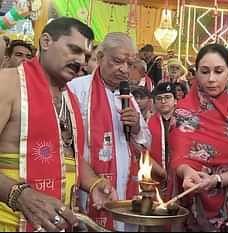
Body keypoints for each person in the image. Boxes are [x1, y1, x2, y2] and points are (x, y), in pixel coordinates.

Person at [0, 17, 116, 232]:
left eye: (86, 56)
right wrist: (19, 195)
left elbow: (67, 156)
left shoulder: (69, 98)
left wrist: (94, 183)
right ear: (45, 42)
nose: (80, 61)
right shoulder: (8, 83)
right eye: (73, 49)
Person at [68, 32, 152, 231]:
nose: (124, 69)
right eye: (117, 61)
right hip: (89, 187)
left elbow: (146, 143)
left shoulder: (128, 97)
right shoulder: (76, 89)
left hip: (125, 188)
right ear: (99, 57)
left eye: (130, 64)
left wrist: (138, 125)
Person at [169, 44, 228, 231]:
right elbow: (178, 157)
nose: (211, 79)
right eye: (204, 72)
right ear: (196, 73)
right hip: (191, 208)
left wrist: (217, 180)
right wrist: (187, 172)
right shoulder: (183, 112)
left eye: (219, 71)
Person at [148, 82, 177, 195]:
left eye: (167, 97)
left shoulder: (186, 121)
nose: (163, 101)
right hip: (156, 177)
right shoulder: (147, 122)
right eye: (159, 98)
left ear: (175, 100)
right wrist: (161, 172)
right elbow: (142, 151)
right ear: (154, 102)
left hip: (180, 178)